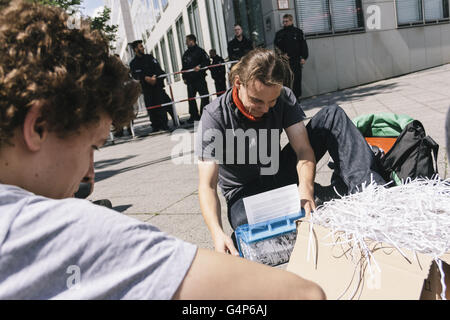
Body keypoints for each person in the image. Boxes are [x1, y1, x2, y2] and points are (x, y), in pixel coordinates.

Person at [0, 0, 325, 300]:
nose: (90, 177)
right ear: (38, 127)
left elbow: (303, 150)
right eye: (92, 147)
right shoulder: (66, 232)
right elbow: (304, 295)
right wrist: (217, 233)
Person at [196, 48, 386, 256]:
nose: (266, 109)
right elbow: (208, 185)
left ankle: (368, 192)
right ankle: (329, 196)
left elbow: (304, 150)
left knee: (332, 116)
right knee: (244, 222)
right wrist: (217, 233)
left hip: (277, 173)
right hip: (244, 193)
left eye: (272, 101)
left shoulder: (284, 97)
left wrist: (305, 189)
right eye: (257, 101)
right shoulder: (214, 117)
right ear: (238, 84)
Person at [129, 40, 175, 132]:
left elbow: (158, 69)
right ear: (135, 49)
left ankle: (164, 124)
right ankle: (155, 126)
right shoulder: (133, 63)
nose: (143, 48)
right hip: (146, 89)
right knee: (151, 107)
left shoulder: (150, 58)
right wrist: (145, 78)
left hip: (157, 86)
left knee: (161, 105)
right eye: (140, 46)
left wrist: (154, 77)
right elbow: (135, 75)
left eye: (142, 46)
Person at [274, 14, 309, 100]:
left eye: (286, 21)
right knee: (286, 80)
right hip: (285, 62)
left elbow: (303, 46)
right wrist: (282, 55)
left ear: (291, 21)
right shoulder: (279, 34)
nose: (284, 23)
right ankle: (288, 99)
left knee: (297, 79)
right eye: (283, 21)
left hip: (296, 60)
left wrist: (304, 57)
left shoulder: (298, 32)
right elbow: (276, 48)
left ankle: (297, 98)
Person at [181, 34, 210, 123]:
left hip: (200, 78)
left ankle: (204, 114)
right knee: (191, 98)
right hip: (190, 80)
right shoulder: (186, 54)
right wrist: (184, 77)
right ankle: (194, 116)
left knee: (204, 96)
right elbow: (184, 67)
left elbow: (207, 61)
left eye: (187, 41)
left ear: (192, 41)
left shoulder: (200, 51)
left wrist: (200, 66)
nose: (186, 43)